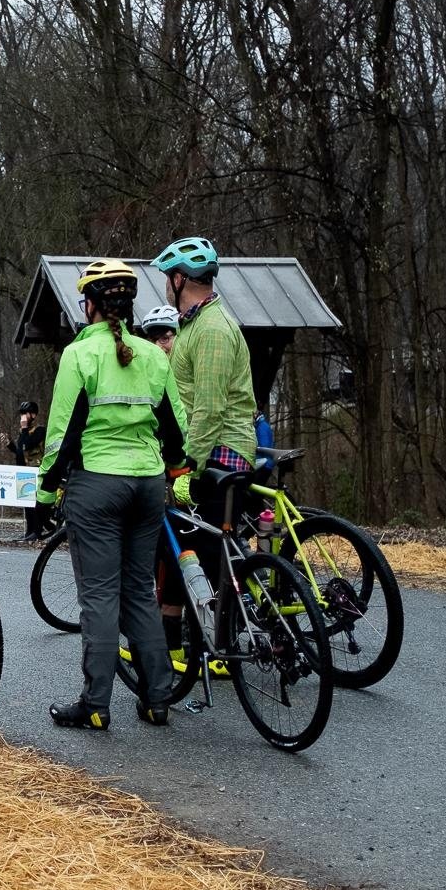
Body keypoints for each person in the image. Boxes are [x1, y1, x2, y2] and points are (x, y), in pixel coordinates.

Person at [33, 261, 187, 731]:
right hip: (148, 484)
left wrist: (44, 492)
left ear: (91, 305)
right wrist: (176, 474)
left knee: (99, 596)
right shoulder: (154, 356)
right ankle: (157, 699)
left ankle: (96, 704)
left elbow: (62, 433)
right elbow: (176, 429)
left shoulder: (80, 357)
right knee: (141, 589)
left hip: (97, 483)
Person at [151, 236, 259, 650]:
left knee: (205, 551)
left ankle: (222, 643)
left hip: (220, 454)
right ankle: (173, 640)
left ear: (180, 279)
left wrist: (185, 468)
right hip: (205, 452)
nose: (164, 284)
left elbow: (209, 410)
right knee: (178, 544)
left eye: (167, 278)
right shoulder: (192, 325)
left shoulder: (212, 329)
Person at [12, 401, 52, 539]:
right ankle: (29, 531)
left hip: (36, 468)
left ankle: (37, 530)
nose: (23, 417)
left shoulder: (40, 430)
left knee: (35, 501)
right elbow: (20, 451)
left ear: (33, 415)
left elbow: (27, 445)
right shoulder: (23, 431)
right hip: (24, 470)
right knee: (26, 502)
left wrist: (23, 429)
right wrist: (10, 445)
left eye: (25, 414)